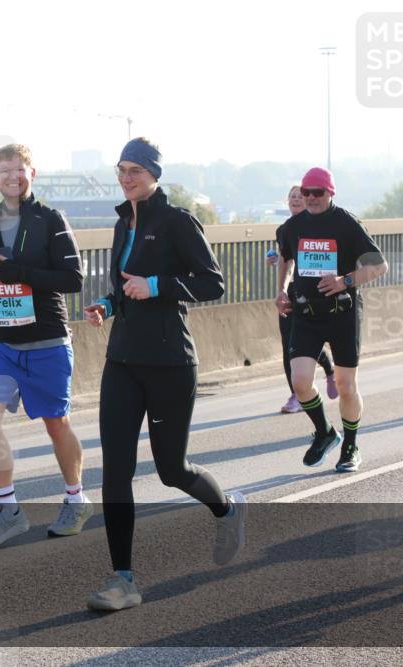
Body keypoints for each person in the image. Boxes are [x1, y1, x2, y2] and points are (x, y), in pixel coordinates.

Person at [84, 138, 245, 611]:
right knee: (115, 472)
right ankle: (123, 580)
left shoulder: (177, 222)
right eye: (121, 169)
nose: (126, 177)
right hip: (123, 361)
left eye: (135, 169)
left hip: (171, 363)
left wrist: (154, 286)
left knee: (171, 470)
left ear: (154, 173)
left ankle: (227, 510)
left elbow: (212, 283)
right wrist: (109, 303)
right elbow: (122, 284)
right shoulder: (122, 222)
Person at [0, 143, 88, 546]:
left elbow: (73, 280)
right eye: (4, 171)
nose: (12, 177)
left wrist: (22, 273)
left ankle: (76, 497)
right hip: (1, 341)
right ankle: (9, 509)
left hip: (46, 340)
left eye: (19, 170)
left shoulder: (51, 219)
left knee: (56, 424)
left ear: (33, 174)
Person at [276, 167, 388, 473]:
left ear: (330, 193)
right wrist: (281, 291)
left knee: (345, 384)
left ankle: (351, 447)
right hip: (306, 314)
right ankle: (325, 432)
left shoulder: (346, 223)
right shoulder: (291, 227)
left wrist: (345, 280)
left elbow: (379, 265)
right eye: (306, 192)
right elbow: (285, 259)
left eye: (318, 192)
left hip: (343, 313)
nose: (311, 198)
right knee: (300, 382)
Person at [269, 185, 337, 413]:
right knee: (289, 344)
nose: (296, 200)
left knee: (310, 340)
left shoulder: (317, 226)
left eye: (300, 196)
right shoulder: (284, 229)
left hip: (313, 293)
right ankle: (296, 395)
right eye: (292, 197)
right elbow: (285, 258)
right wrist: (281, 286)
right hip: (291, 293)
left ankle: (330, 372)